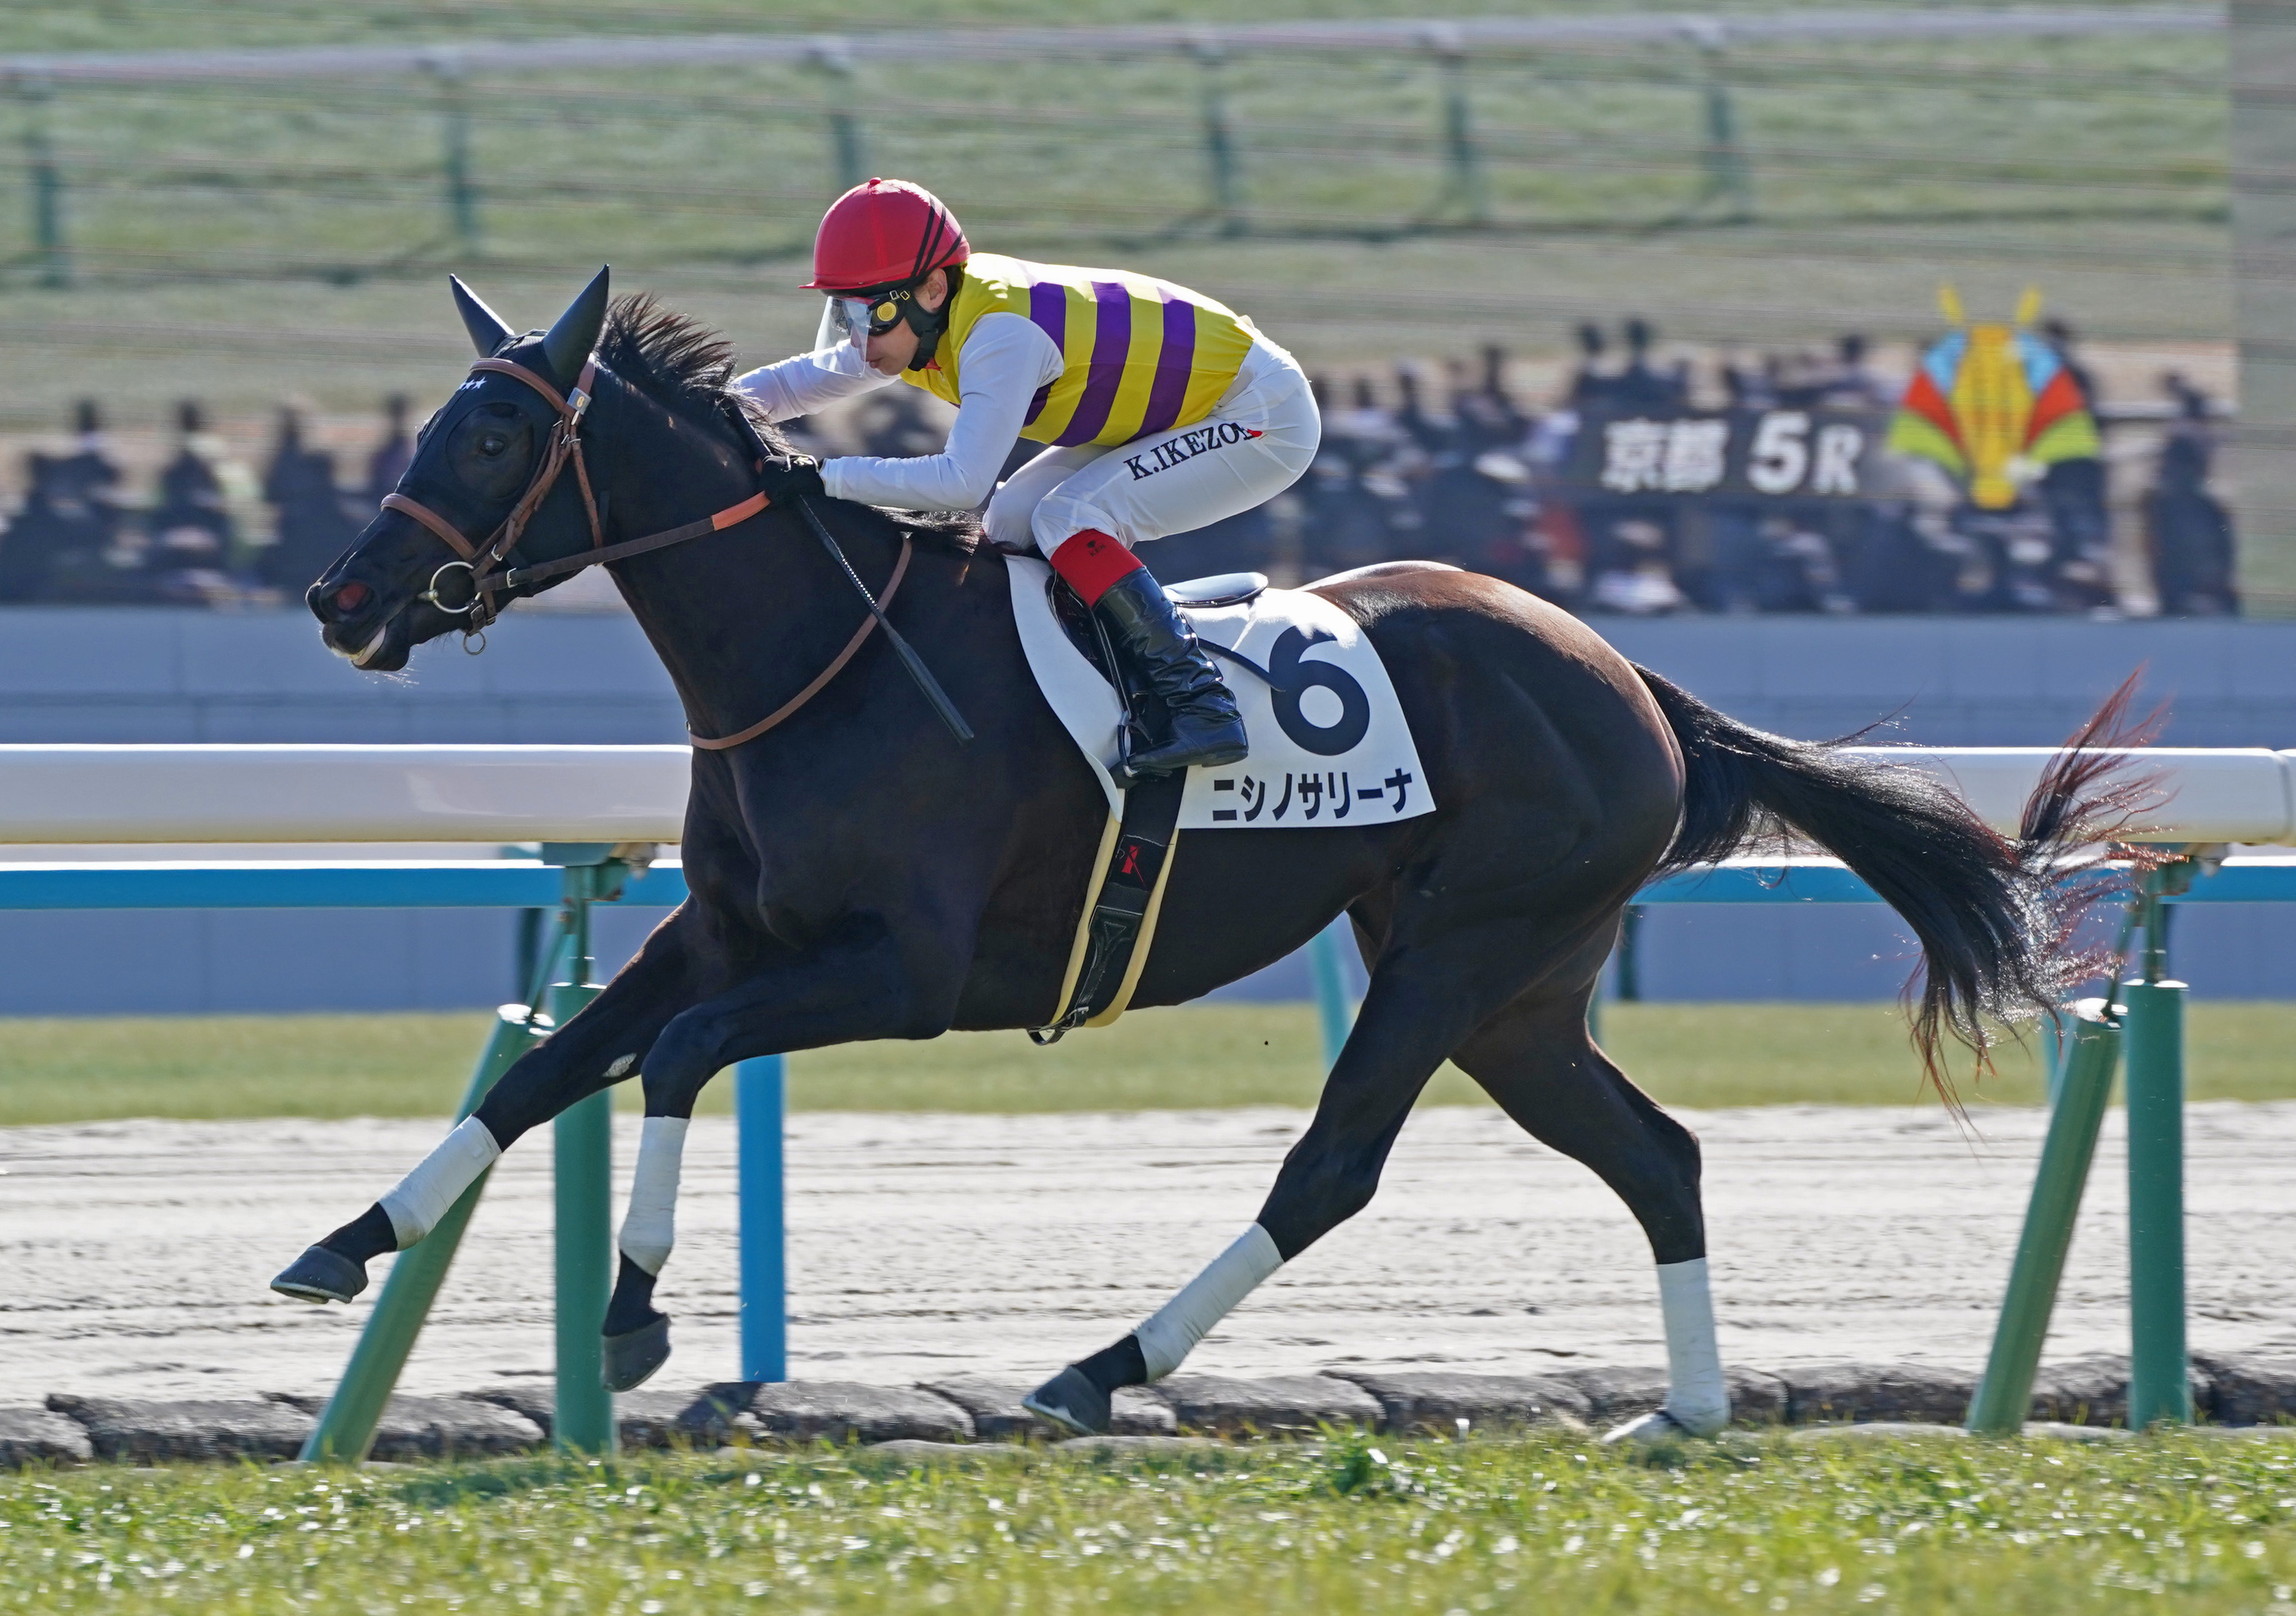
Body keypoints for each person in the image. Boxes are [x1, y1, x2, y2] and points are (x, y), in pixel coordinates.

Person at [734, 178, 1320, 783]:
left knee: (1067, 518)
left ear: (933, 288)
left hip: (1258, 414)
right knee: (1010, 524)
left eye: (868, 313)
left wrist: (824, 477)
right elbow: (794, 384)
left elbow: (961, 482)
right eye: (844, 313)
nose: (858, 338)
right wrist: (692, 406)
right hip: (1179, 407)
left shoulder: (999, 335)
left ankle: (1201, 703)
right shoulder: (919, 318)